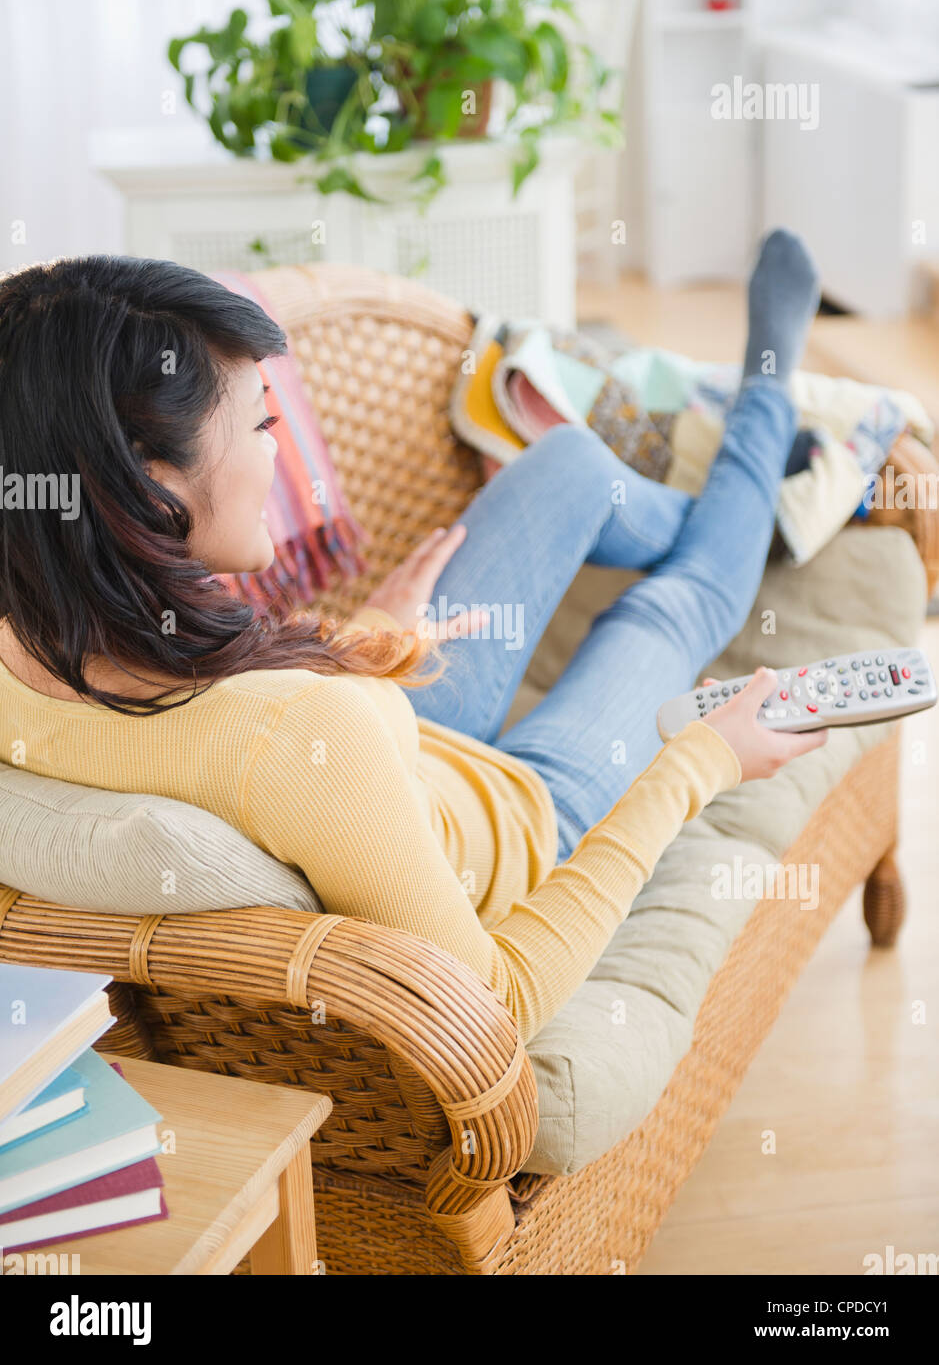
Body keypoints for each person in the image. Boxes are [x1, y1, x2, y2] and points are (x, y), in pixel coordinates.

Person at [0, 230, 826, 1045]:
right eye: (259, 425)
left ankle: (742, 504)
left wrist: (368, 637)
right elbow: (494, 1006)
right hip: (512, 817)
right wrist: (702, 762)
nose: (277, 448)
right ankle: (763, 422)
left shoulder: (34, 632)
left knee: (571, 465)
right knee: (678, 606)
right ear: (150, 479)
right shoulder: (296, 737)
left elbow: (245, 736)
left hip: (381, 761)